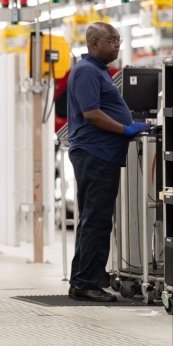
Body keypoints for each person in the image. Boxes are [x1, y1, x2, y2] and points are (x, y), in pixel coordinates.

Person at [66, 22, 150, 302]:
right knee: (97, 220)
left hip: (99, 154)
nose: (117, 45)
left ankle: (86, 277)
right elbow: (92, 113)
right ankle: (85, 283)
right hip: (95, 153)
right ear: (94, 43)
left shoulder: (97, 70)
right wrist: (125, 129)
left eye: (118, 40)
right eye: (111, 40)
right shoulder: (88, 71)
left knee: (94, 219)